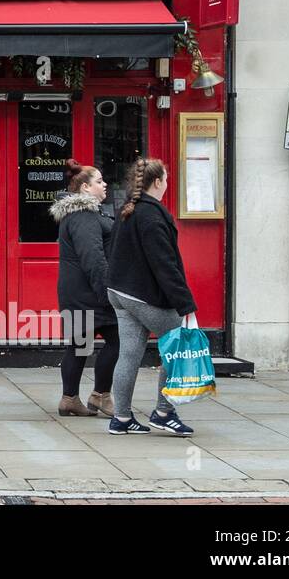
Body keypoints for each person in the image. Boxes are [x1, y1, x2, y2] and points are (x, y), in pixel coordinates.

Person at [105, 158, 199, 436]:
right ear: (157, 182)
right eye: (167, 179)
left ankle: (121, 418)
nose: (168, 184)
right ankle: (163, 412)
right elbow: (165, 266)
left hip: (120, 293)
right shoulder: (152, 216)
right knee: (178, 348)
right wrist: (185, 304)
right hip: (144, 295)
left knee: (129, 355)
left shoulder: (129, 209)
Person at [50, 160, 118, 417]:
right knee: (117, 341)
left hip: (79, 291)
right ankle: (100, 395)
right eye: (99, 181)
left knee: (79, 344)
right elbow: (92, 257)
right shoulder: (84, 216)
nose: (105, 184)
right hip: (89, 293)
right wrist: (106, 293)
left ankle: (70, 399)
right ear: (86, 188)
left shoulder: (84, 214)